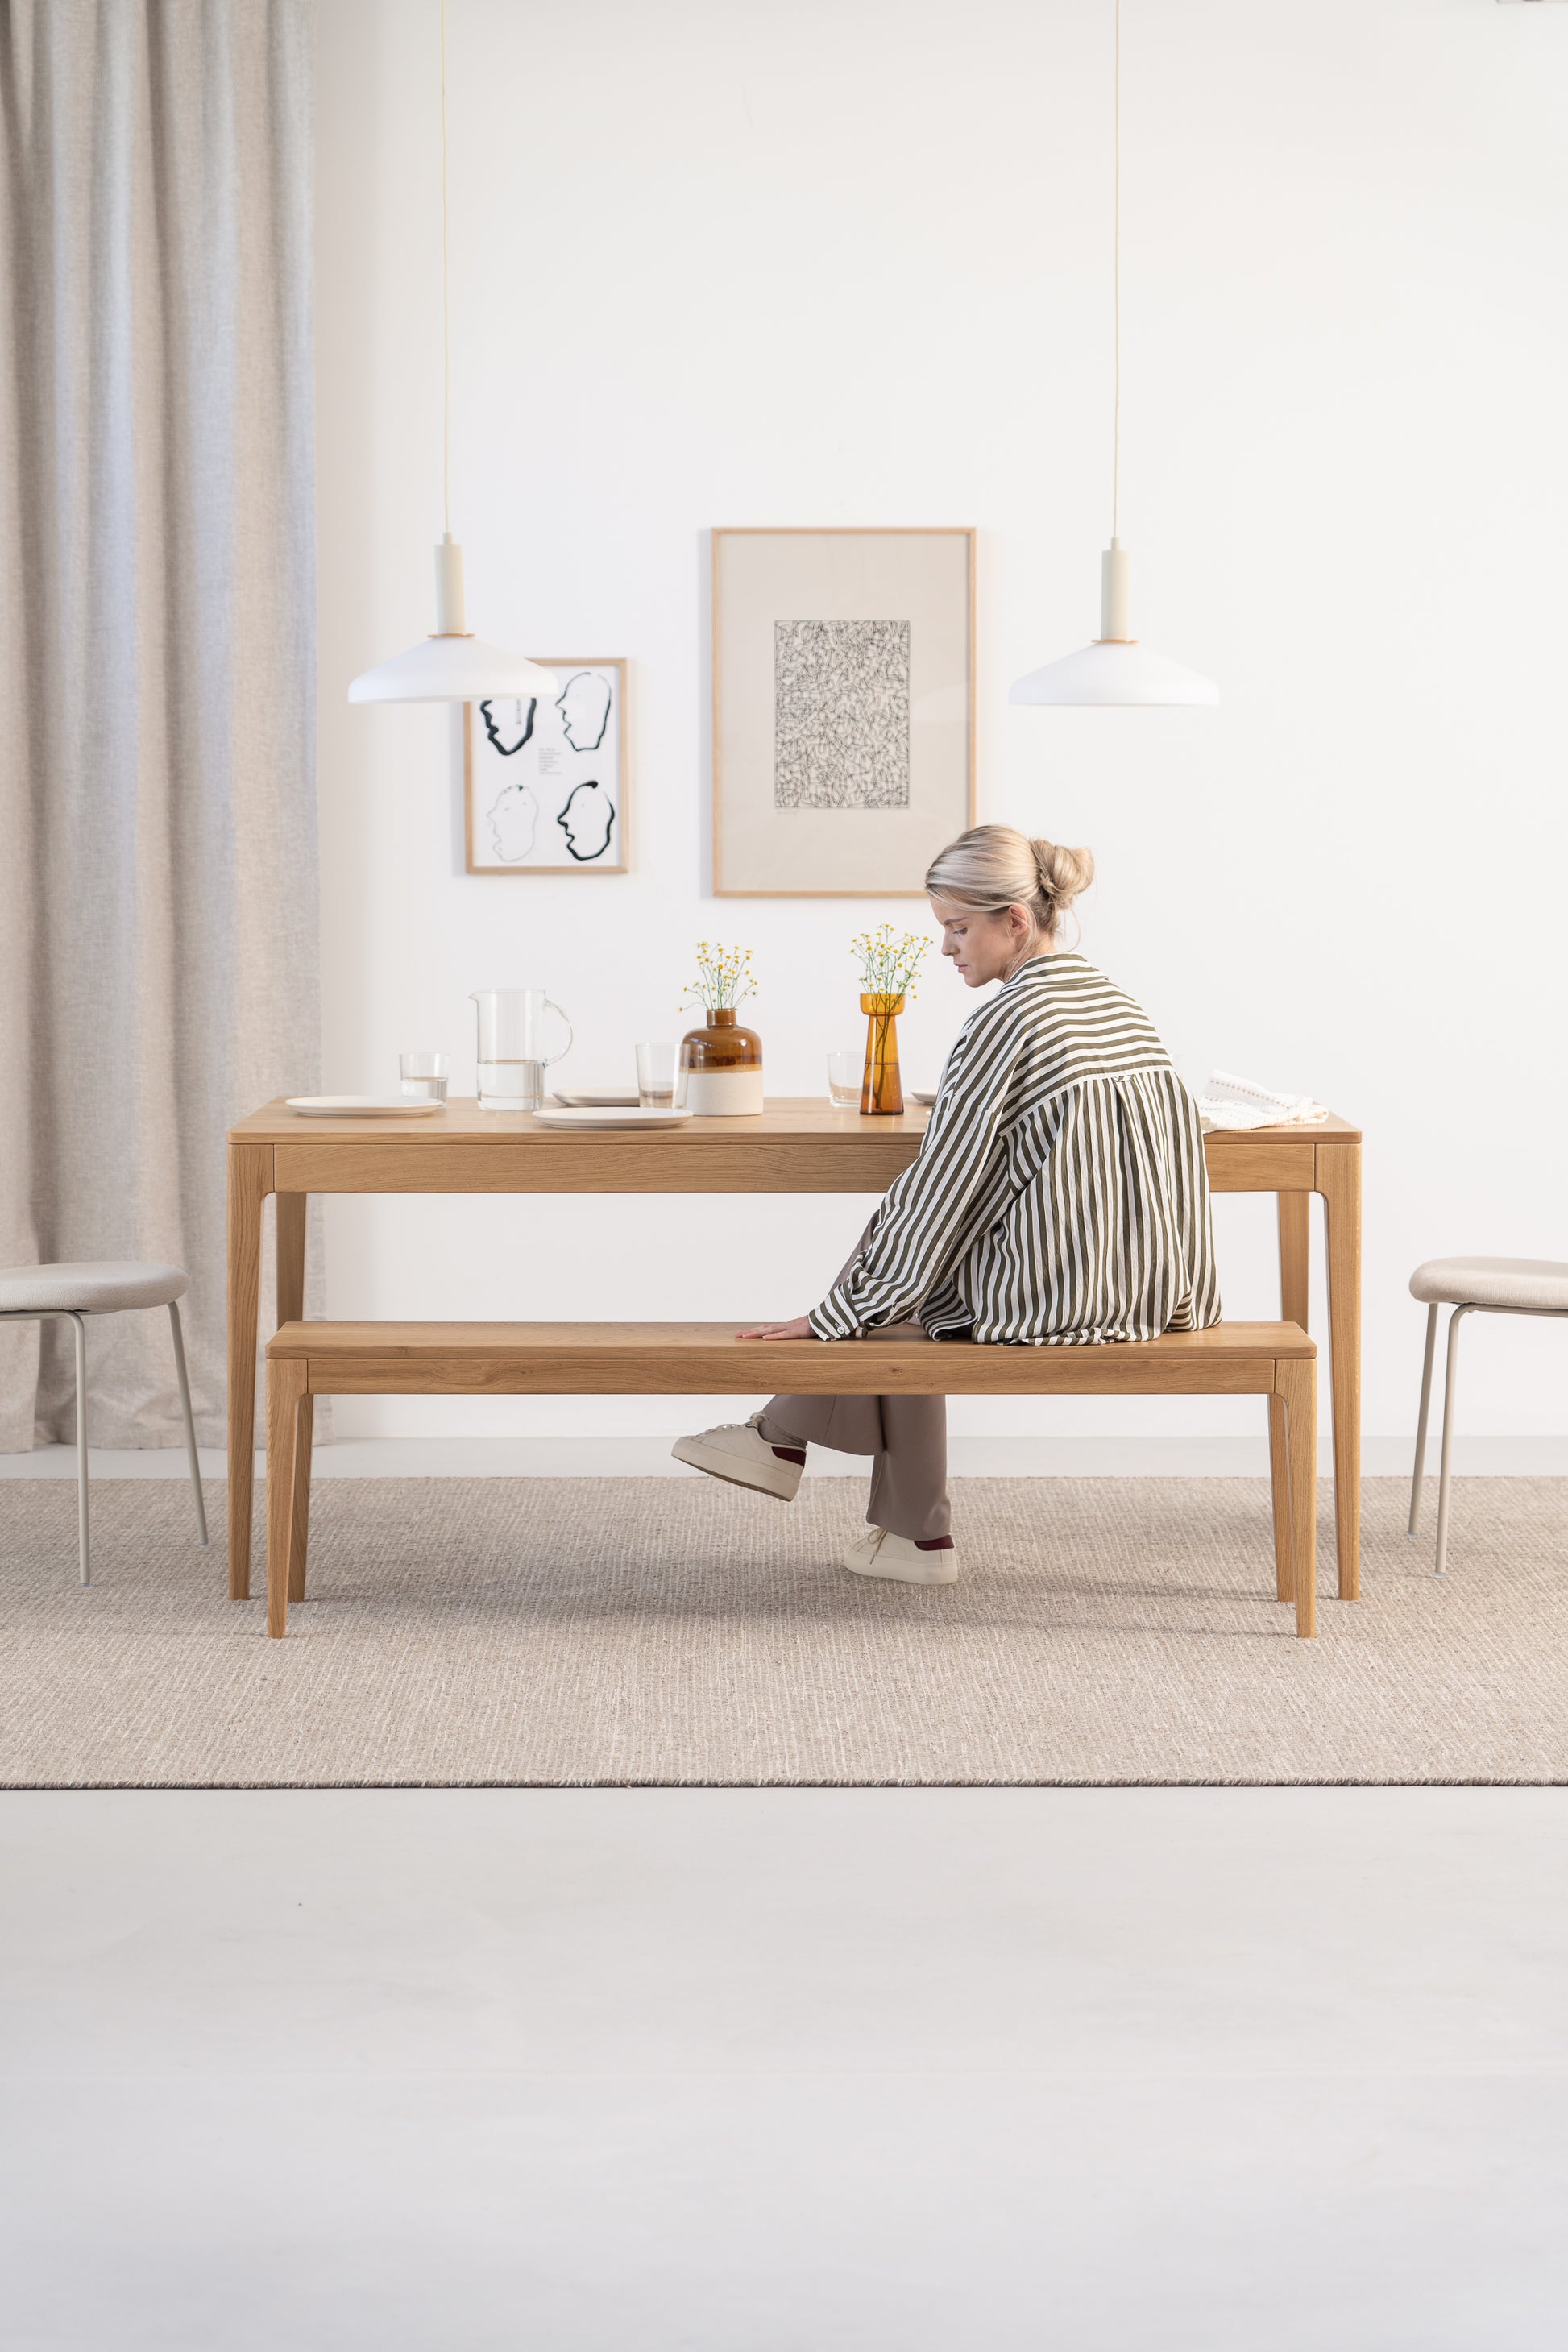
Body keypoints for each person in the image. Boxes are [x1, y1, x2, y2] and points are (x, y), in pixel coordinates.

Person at [671, 823, 1221, 1587]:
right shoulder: (1118, 1005)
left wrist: (825, 1318)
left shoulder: (1006, 1021)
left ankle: (790, 1439)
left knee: (898, 1277)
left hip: (1065, 1297)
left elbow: (939, 1188)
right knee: (906, 1276)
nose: (945, 950)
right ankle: (892, 1525)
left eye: (957, 929)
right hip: (1155, 1287)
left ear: (1016, 922)